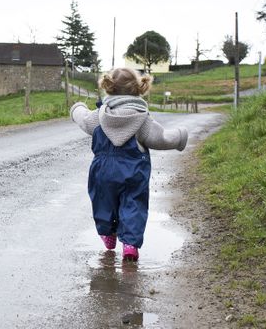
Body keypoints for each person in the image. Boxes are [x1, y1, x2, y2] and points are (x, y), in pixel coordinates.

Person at [70, 67, 188, 261]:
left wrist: (77, 109)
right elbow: (161, 138)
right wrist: (180, 136)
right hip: (134, 171)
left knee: (102, 202)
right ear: (138, 89)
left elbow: (83, 120)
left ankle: (107, 235)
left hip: (103, 171)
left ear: (109, 87)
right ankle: (130, 245)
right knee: (134, 205)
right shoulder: (142, 119)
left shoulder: (99, 116)